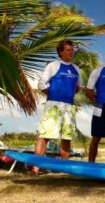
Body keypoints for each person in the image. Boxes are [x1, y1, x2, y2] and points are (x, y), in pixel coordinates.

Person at [32, 39, 82, 175]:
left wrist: (67, 95)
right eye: (68, 50)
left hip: (69, 107)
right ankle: (35, 168)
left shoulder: (76, 69)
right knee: (45, 135)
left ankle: (64, 169)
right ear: (61, 52)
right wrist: (54, 93)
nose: (72, 53)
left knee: (66, 137)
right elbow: (41, 84)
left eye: (73, 50)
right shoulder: (53, 66)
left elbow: (79, 87)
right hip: (53, 106)